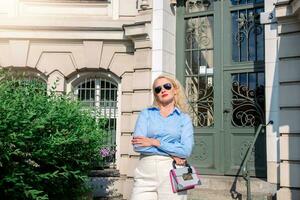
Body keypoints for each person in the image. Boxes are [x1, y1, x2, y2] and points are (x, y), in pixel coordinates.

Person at [130, 74, 194, 200]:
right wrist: (172, 152)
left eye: (167, 86)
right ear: (155, 95)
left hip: (174, 171)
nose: (162, 90)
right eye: (158, 89)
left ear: (175, 90)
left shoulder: (184, 118)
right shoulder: (146, 114)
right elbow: (138, 145)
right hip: (145, 174)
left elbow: (186, 151)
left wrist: (155, 142)